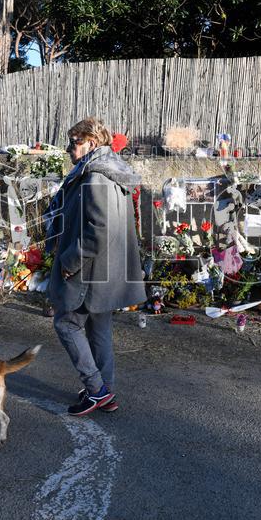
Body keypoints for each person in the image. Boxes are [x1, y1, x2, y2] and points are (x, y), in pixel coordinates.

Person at [44, 118, 147, 416]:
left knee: (66, 323)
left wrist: (70, 260)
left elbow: (98, 228)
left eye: (74, 141)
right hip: (106, 269)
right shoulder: (112, 171)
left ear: (91, 142)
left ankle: (96, 389)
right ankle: (106, 390)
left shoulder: (95, 177)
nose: (68, 148)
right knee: (98, 327)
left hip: (89, 268)